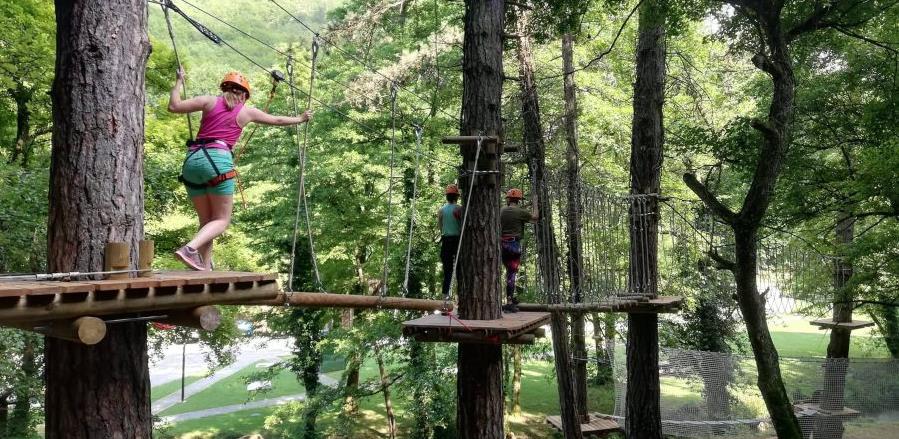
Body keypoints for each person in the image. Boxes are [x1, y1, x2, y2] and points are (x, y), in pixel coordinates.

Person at [168, 69, 312, 270]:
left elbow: (174, 106)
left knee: (207, 221)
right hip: (217, 161)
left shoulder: (209, 101)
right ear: (244, 95)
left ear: (224, 88)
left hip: (192, 161)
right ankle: (189, 249)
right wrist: (301, 118)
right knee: (221, 220)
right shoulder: (247, 112)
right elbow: (278, 120)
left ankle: (205, 267)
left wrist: (178, 82)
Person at [500, 188, 538, 312]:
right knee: (511, 274)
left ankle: (507, 298)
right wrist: (535, 203)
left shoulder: (501, 210)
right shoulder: (521, 212)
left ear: (508, 199)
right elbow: (535, 218)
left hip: (501, 245)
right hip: (514, 245)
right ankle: (510, 301)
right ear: (519, 200)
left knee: (506, 271)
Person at [437, 184, 463, 298]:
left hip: (446, 241)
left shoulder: (441, 210)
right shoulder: (460, 209)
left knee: (448, 271)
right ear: (457, 197)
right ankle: (461, 297)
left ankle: (445, 297)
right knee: (459, 270)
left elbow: (440, 226)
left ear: (447, 197)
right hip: (458, 241)